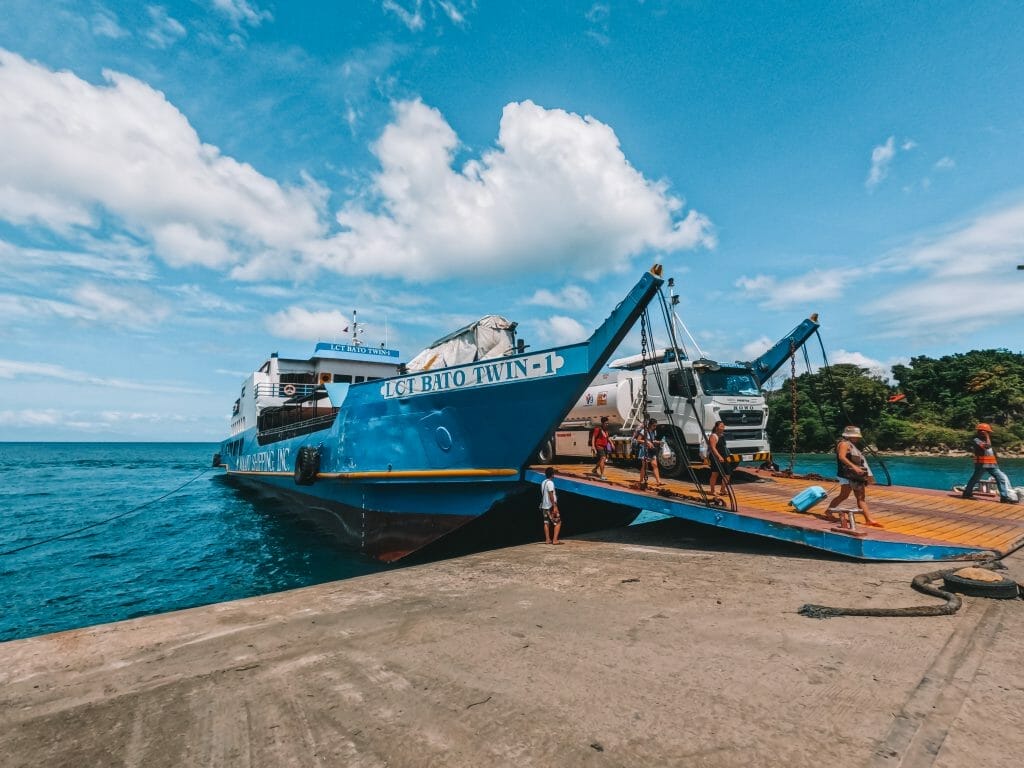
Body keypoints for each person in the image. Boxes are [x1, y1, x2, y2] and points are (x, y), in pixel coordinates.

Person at [825, 426, 880, 526]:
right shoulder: (844, 444)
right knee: (844, 495)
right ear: (849, 436)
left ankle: (869, 519)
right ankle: (828, 511)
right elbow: (841, 457)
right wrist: (854, 467)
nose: (858, 438)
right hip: (846, 474)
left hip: (855, 476)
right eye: (856, 436)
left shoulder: (851, 445)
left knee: (861, 497)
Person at [962, 423, 1013, 502]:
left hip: (992, 464)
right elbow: (987, 446)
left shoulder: (985, 440)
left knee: (1001, 478)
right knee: (975, 478)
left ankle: (1004, 497)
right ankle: (967, 493)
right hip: (982, 464)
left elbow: (990, 452)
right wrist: (987, 436)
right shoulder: (976, 440)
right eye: (987, 432)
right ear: (982, 432)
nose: (989, 433)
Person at [634, 417, 663, 487]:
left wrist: (658, 442)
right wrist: (647, 442)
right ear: (650, 425)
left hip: (651, 450)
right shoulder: (644, 431)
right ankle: (641, 480)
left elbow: (652, 440)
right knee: (644, 466)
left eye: (656, 426)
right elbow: (638, 440)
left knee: (655, 465)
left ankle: (658, 481)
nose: (655, 427)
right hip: (644, 449)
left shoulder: (653, 432)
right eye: (654, 426)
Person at [707, 421, 733, 497]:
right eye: (721, 426)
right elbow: (713, 448)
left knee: (728, 473)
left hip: (724, 456)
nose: (723, 428)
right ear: (716, 427)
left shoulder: (722, 435)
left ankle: (722, 489)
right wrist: (719, 456)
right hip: (715, 457)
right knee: (715, 474)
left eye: (723, 426)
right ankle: (712, 490)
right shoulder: (713, 436)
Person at [539, 466, 563, 544]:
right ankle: (555, 540)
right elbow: (551, 495)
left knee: (546, 523)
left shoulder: (543, 482)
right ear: (552, 474)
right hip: (550, 506)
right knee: (558, 522)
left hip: (544, 506)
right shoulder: (550, 483)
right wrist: (555, 506)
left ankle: (547, 539)